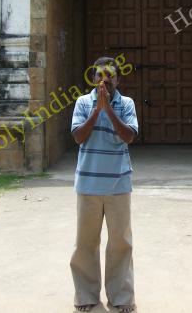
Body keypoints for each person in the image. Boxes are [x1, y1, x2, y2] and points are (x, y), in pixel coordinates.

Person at [70, 56, 139, 313]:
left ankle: (121, 297)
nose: (105, 80)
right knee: (86, 243)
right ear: (93, 78)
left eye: (110, 76)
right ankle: (86, 294)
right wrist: (97, 109)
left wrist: (108, 109)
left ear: (117, 79)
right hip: (88, 183)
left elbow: (129, 136)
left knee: (120, 243)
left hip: (119, 185)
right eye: (100, 75)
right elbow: (78, 136)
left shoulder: (127, 104)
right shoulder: (82, 103)